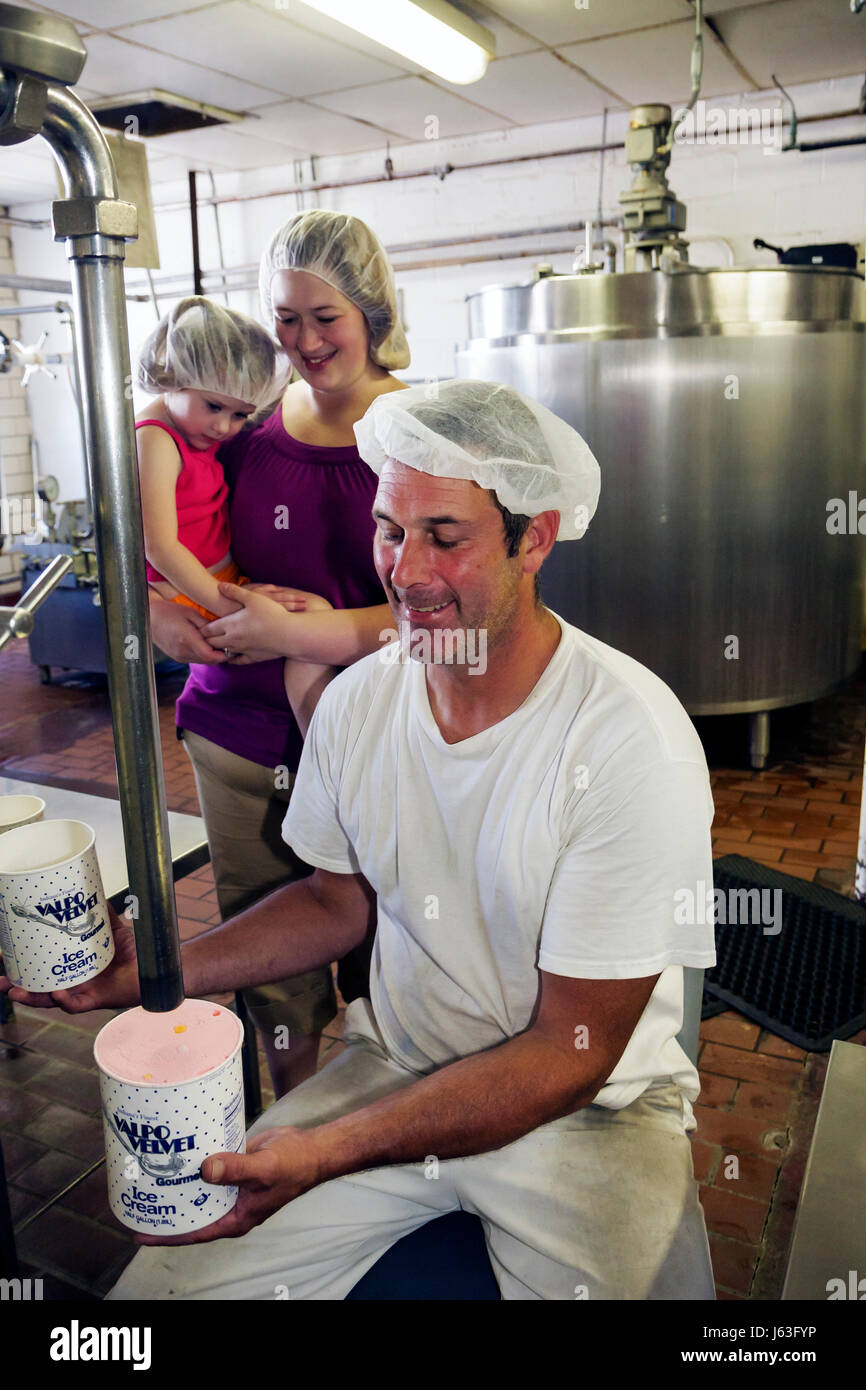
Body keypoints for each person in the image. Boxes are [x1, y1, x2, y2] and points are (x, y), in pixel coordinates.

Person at [4, 380, 718, 1301]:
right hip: (395, 1069)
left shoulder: (625, 739)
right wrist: (152, 971)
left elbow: (570, 1053)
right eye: (391, 528)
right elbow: (334, 901)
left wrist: (326, 1152)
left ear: (533, 538)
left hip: (590, 1116)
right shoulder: (361, 700)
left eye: (447, 538)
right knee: (156, 1299)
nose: (407, 571)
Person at [145, 211, 409, 1098]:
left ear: (370, 310)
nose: (302, 340)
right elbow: (157, 536)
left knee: (393, 950)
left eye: (323, 316)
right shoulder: (245, 426)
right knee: (271, 962)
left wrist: (305, 631)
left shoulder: (419, 435)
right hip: (239, 736)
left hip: (382, 742)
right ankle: (290, 1136)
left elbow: (448, 619)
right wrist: (151, 612)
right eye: (284, 317)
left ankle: (384, 1134)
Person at [135, 296, 334, 736]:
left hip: (219, 579)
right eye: (213, 406)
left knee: (314, 621)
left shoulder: (193, 431)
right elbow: (160, 546)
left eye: (241, 415)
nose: (224, 427)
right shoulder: (156, 439)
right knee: (309, 624)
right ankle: (326, 758)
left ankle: (322, 750)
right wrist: (222, 602)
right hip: (188, 591)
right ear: (175, 376)